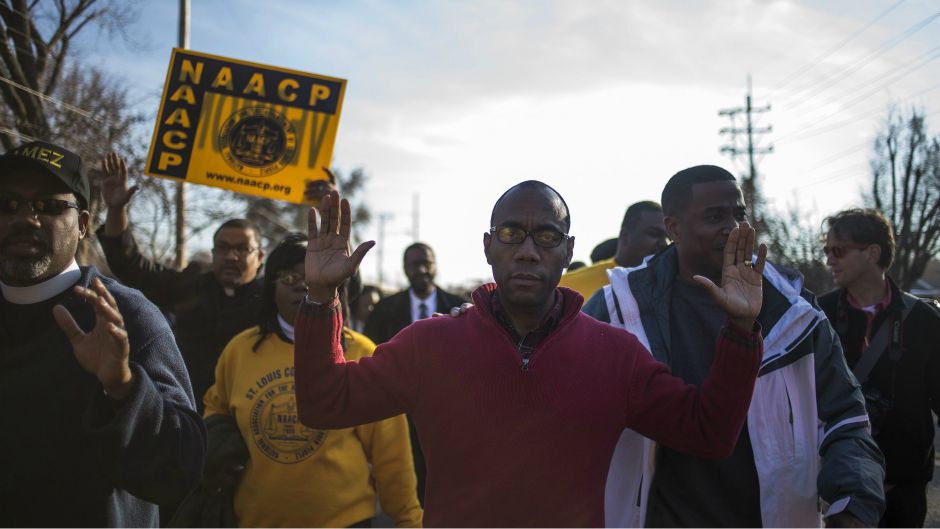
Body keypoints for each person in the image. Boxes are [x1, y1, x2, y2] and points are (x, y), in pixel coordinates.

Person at [293, 182, 767, 526]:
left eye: (546, 236)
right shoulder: (429, 345)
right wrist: (319, 300)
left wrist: (742, 331)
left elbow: (709, 433)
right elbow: (324, 403)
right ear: (487, 247)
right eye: (510, 233)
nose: (526, 251)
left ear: (568, 251)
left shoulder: (615, 355)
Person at [587, 165, 885, 527]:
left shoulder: (792, 310)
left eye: (739, 214)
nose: (733, 227)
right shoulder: (617, 308)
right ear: (674, 228)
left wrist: (852, 508)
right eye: (715, 216)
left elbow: (846, 419)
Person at [0, 140, 206, 526]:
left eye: (48, 206)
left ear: (82, 225)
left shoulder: (127, 316)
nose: (25, 218)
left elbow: (181, 469)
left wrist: (125, 390)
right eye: (8, 204)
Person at [200, 234, 422, 527]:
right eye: (290, 277)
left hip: (344, 521)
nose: (304, 286)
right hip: (255, 520)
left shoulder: (361, 352)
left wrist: (409, 520)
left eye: (314, 279)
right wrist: (219, 449)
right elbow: (215, 411)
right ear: (271, 287)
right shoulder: (239, 351)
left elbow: (392, 455)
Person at [96, 153, 264, 412]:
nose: (232, 256)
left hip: (253, 417)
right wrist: (116, 210)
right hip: (189, 414)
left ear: (260, 257)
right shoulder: (192, 285)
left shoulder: (275, 298)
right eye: (223, 248)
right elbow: (131, 266)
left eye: (242, 249)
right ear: (213, 252)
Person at [819, 208, 940, 528]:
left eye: (838, 250)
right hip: (838, 486)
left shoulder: (924, 319)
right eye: (826, 251)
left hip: (904, 486)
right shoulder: (818, 315)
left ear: (872, 253)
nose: (829, 260)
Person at [362, 241, 467, 502]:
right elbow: (371, 358)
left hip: (448, 420)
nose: (421, 269)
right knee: (409, 494)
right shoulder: (385, 311)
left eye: (426, 263)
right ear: (404, 268)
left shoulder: (460, 308)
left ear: (435, 265)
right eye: (414, 264)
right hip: (399, 418)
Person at [561, 201, 667, 299]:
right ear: (625, 236)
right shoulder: (567, 285)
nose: (664, 244)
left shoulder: (670, 287)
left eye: (668, 237)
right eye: (654, 234)